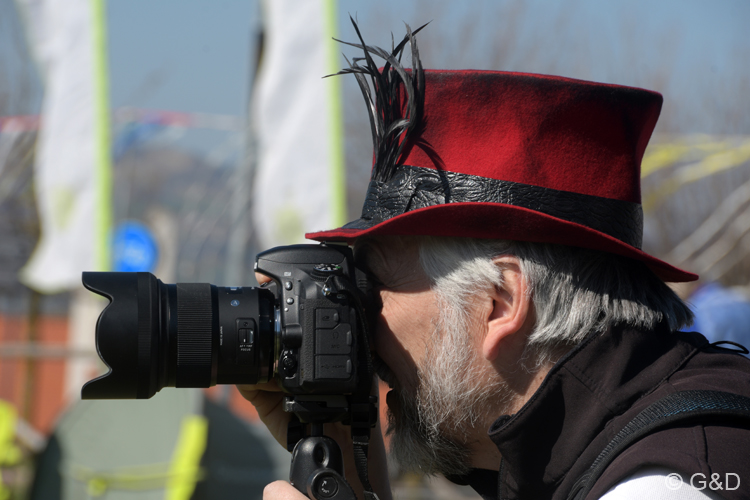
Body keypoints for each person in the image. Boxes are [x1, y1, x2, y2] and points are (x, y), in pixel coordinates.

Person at [239, 24, 750, 500]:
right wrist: (346, 456)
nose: (358, 319)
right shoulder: (584, 452)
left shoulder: (667, 483)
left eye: (372, 286)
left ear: (498, 301)